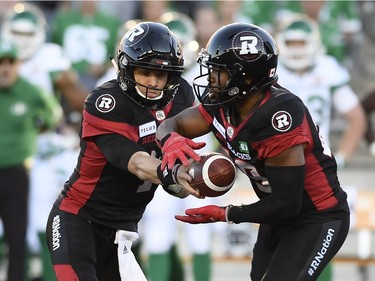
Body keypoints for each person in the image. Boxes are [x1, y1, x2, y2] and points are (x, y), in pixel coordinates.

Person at [156, 22, 351, 281]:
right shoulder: (223, 103)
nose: (211, 77)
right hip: (276, 212)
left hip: (316, 216)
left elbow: (287, 203)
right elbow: (175, 123)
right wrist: (170, 140)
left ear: (246, 78)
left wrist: (226, 213)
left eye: (218, 71)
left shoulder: (279, 116)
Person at [45, 21, 201, 281]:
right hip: (78, 218)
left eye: (161, 75)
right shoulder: (106, 103)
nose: (153, 82)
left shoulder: (182, 95)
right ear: (127, 69)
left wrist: (196, 173)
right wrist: (172, 174)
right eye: (144, 72)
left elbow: (181, 185)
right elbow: (137, 162)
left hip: (123, 230)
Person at [1, 3, 89, 280]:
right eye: (16, 32)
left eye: (29, 33)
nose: (22, 40)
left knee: (44, 217)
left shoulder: (50, 58)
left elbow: (81, 101)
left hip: (42, 147)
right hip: (12, 149)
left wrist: (72, 127)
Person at [0, 37, 62, 281]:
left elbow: (53, 114)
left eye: (10, 62)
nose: (5, 67)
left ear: (18, 65)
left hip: (17, 171)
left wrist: (40, 126)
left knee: (17, 235)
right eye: (1, 62)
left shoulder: (30, 91)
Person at [275, 14, 366, 169]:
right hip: (278, 160)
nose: (297, 49)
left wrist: (341, 158)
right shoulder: (274, 70)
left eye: (301, 43)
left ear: (313, 43)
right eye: (291, 43)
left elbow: (357, 119)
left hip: (318, 160)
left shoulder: (327, 68)